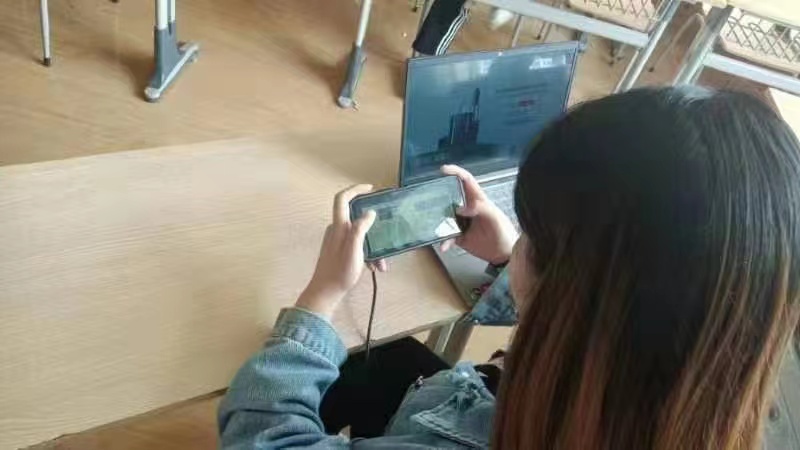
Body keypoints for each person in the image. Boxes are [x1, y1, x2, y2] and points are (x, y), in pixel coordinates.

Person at [218, 87, 800, 449]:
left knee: (304, 356)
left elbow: (262, 442)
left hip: (455, 415)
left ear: (571, 292)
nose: (520, 245)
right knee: (379, 358)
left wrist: (319, 299)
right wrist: (506, 258)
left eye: (533, 240)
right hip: (471, 398)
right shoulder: (708, 373)